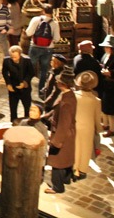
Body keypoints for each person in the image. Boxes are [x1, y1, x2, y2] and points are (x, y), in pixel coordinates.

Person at [45, 66, 77, 194]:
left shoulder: (66, 102)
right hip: (67, 134)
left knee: (57, 161)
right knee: (66, 159)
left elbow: (64, 124)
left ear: (63, 84)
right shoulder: (68, 95)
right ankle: (66, 179)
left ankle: (57, 187)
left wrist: (56, 141)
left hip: (63, 135)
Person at [25, 3, 60, 98]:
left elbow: (28, 33)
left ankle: (26, 88)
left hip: (35, 47)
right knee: (44, 70)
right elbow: (57, 38)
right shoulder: (54, 23)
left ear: (43, 11)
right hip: (48, 49)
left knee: (30, 68)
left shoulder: (35, 19)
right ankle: (41, 92)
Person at [73, 70, 102, 182]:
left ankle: (74, 168)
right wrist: (98, 129)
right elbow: (97, 118)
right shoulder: (96, 101)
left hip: (75, 125)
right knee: (86, 148)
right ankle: (82, 170)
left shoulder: (74, 96)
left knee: (76, 147)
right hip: (88, 128)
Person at [2, 45, 35, 122]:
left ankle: (27, 123)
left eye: (15, 57)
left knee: (27, 108)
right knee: (13, 109)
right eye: (12, 57)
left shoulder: (27, 60)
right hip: (13, 88)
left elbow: (31, 73)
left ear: (20, 54)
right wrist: (8, 84)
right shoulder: (6, 61)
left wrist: (25, 82)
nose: (13, 59)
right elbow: (4, 73)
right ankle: (13, 123)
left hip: (25, 89)